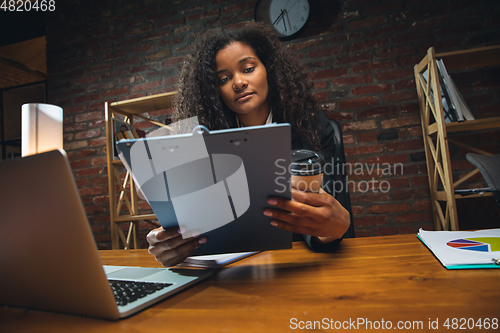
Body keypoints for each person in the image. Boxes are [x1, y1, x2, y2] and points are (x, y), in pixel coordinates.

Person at [147, 22, 351, 267]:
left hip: (299, 265)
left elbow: (323, 217)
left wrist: (330, 230)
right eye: (223, 78)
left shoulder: (312, 127)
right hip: (234, 272)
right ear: (215, 91)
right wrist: (172, 245)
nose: (238, 82)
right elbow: (200, 225)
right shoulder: (202, 142)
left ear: (269, 69)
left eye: (248, 68)